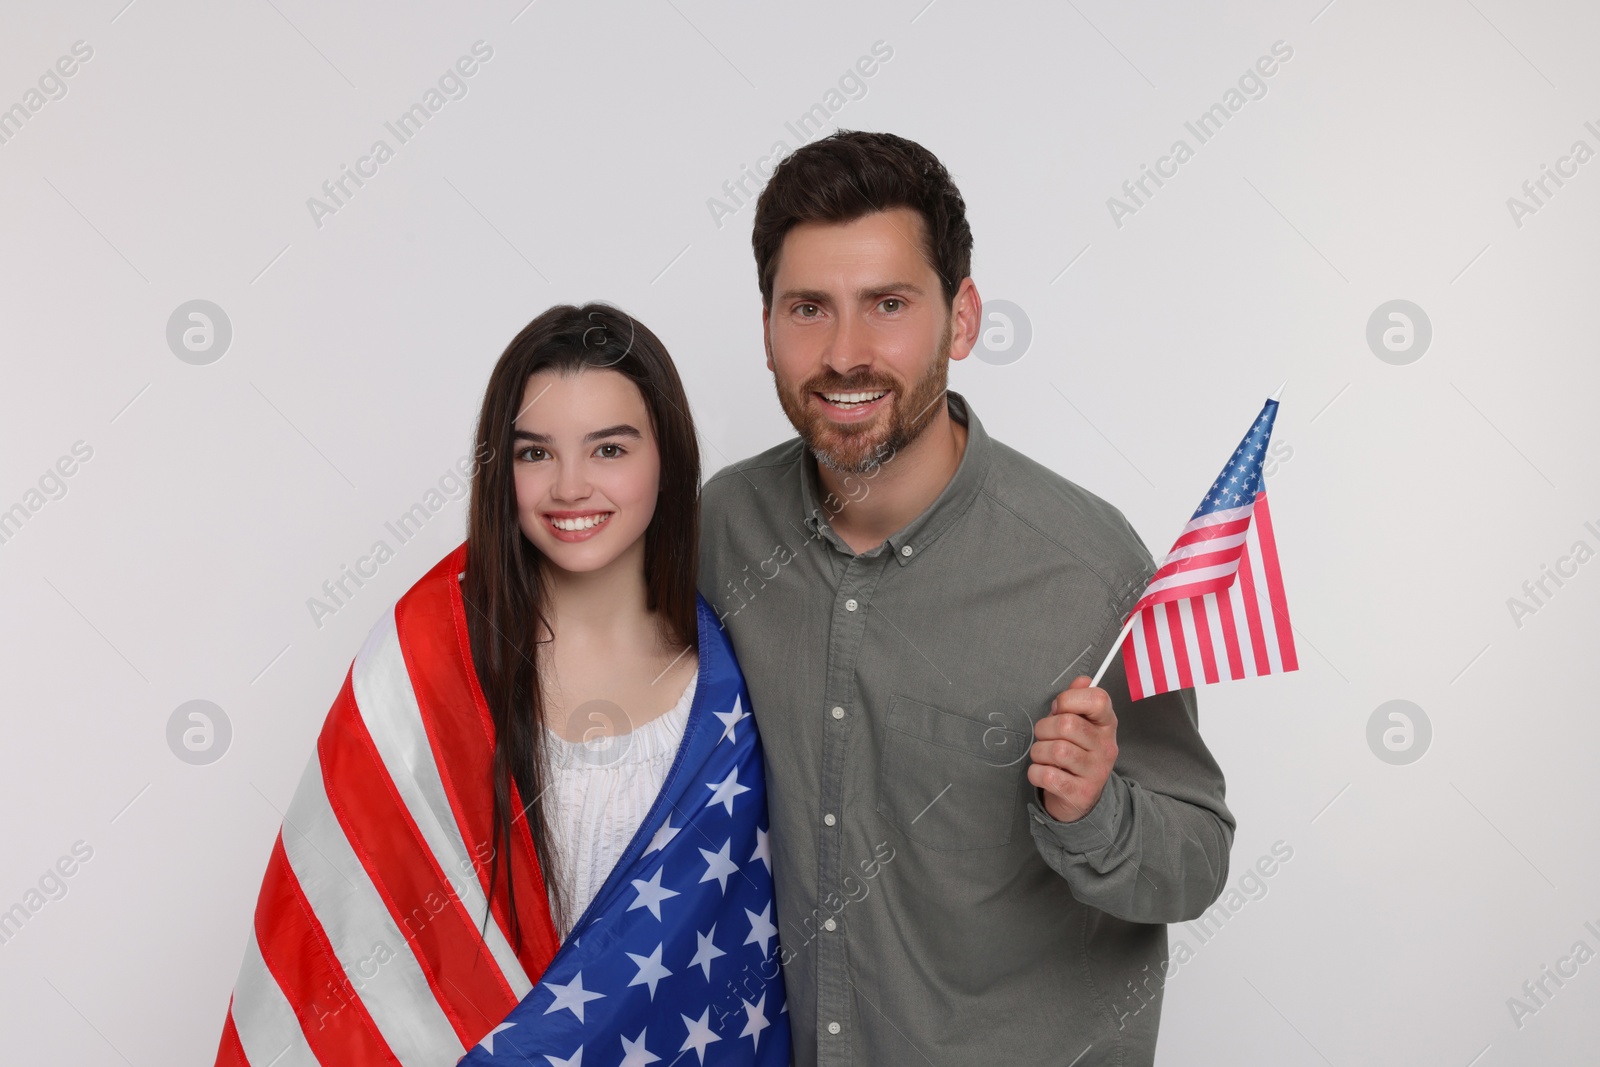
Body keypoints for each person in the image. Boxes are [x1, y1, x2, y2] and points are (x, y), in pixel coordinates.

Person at [697, 131, 1236, 1066]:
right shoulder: (723, 527)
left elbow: (1197, 859)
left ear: (962, 318)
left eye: (889, 305)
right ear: (768, 326)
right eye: (809, 308)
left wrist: (1095, 809)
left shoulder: (1084, 568)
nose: (845, 352)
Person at [215, 304, 789, 1066]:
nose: (571, 486)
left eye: (609, 448)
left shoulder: (737, 690)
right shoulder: (424, 660)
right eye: (535, 453)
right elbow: (343, 940)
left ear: (668, 458)